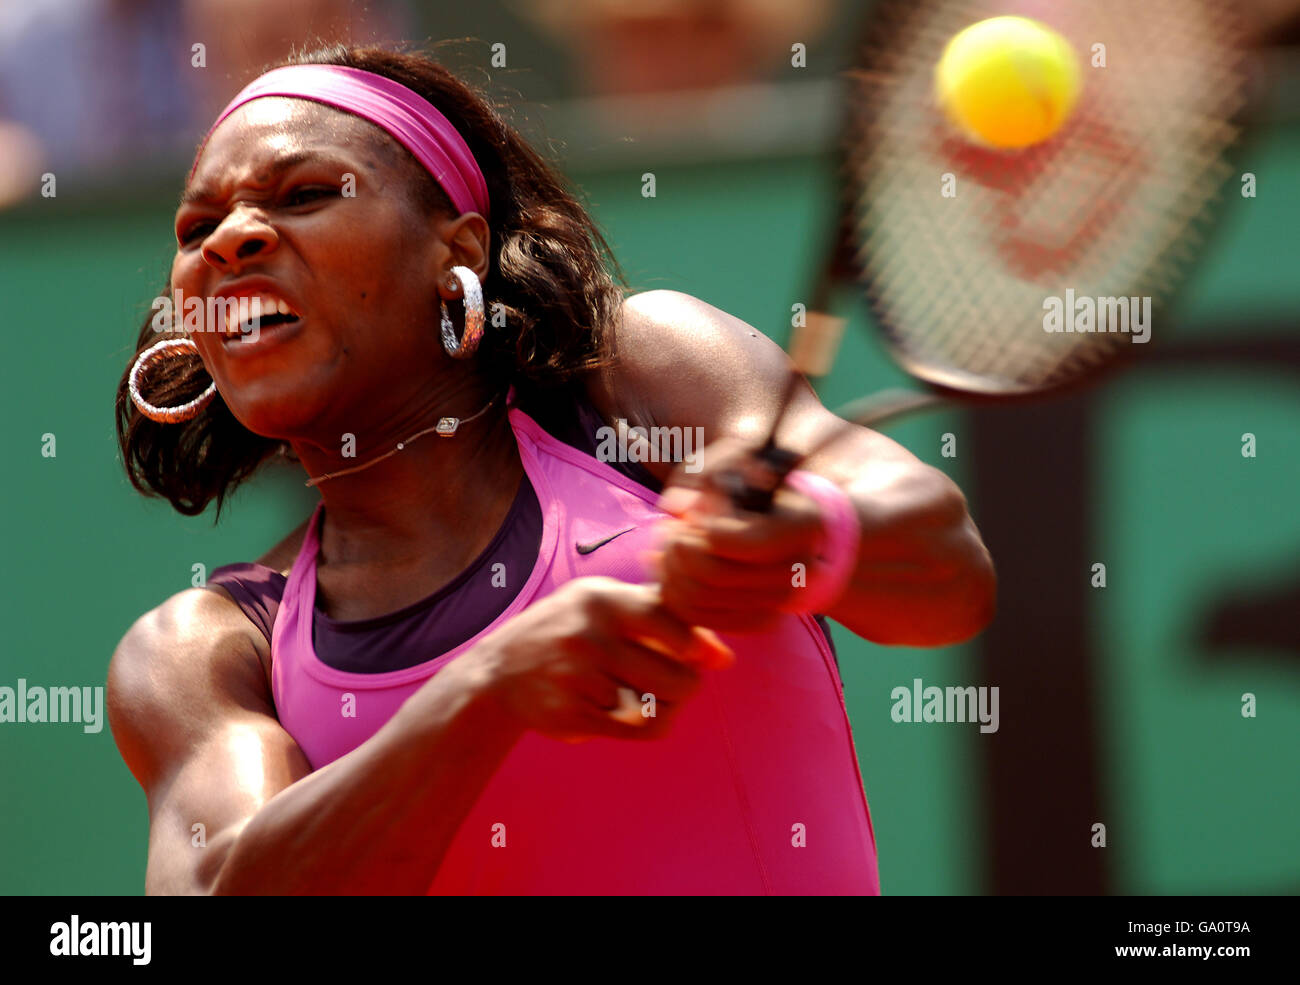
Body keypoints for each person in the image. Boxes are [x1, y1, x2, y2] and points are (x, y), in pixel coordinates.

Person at [107, 44, 996, 895]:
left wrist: (814, 533)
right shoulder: (205, 649)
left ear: (455, 251)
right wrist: (491, 690)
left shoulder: (637, 374)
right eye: (198, 226)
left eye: (303, 194)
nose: (230, 240)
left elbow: (951, 571)